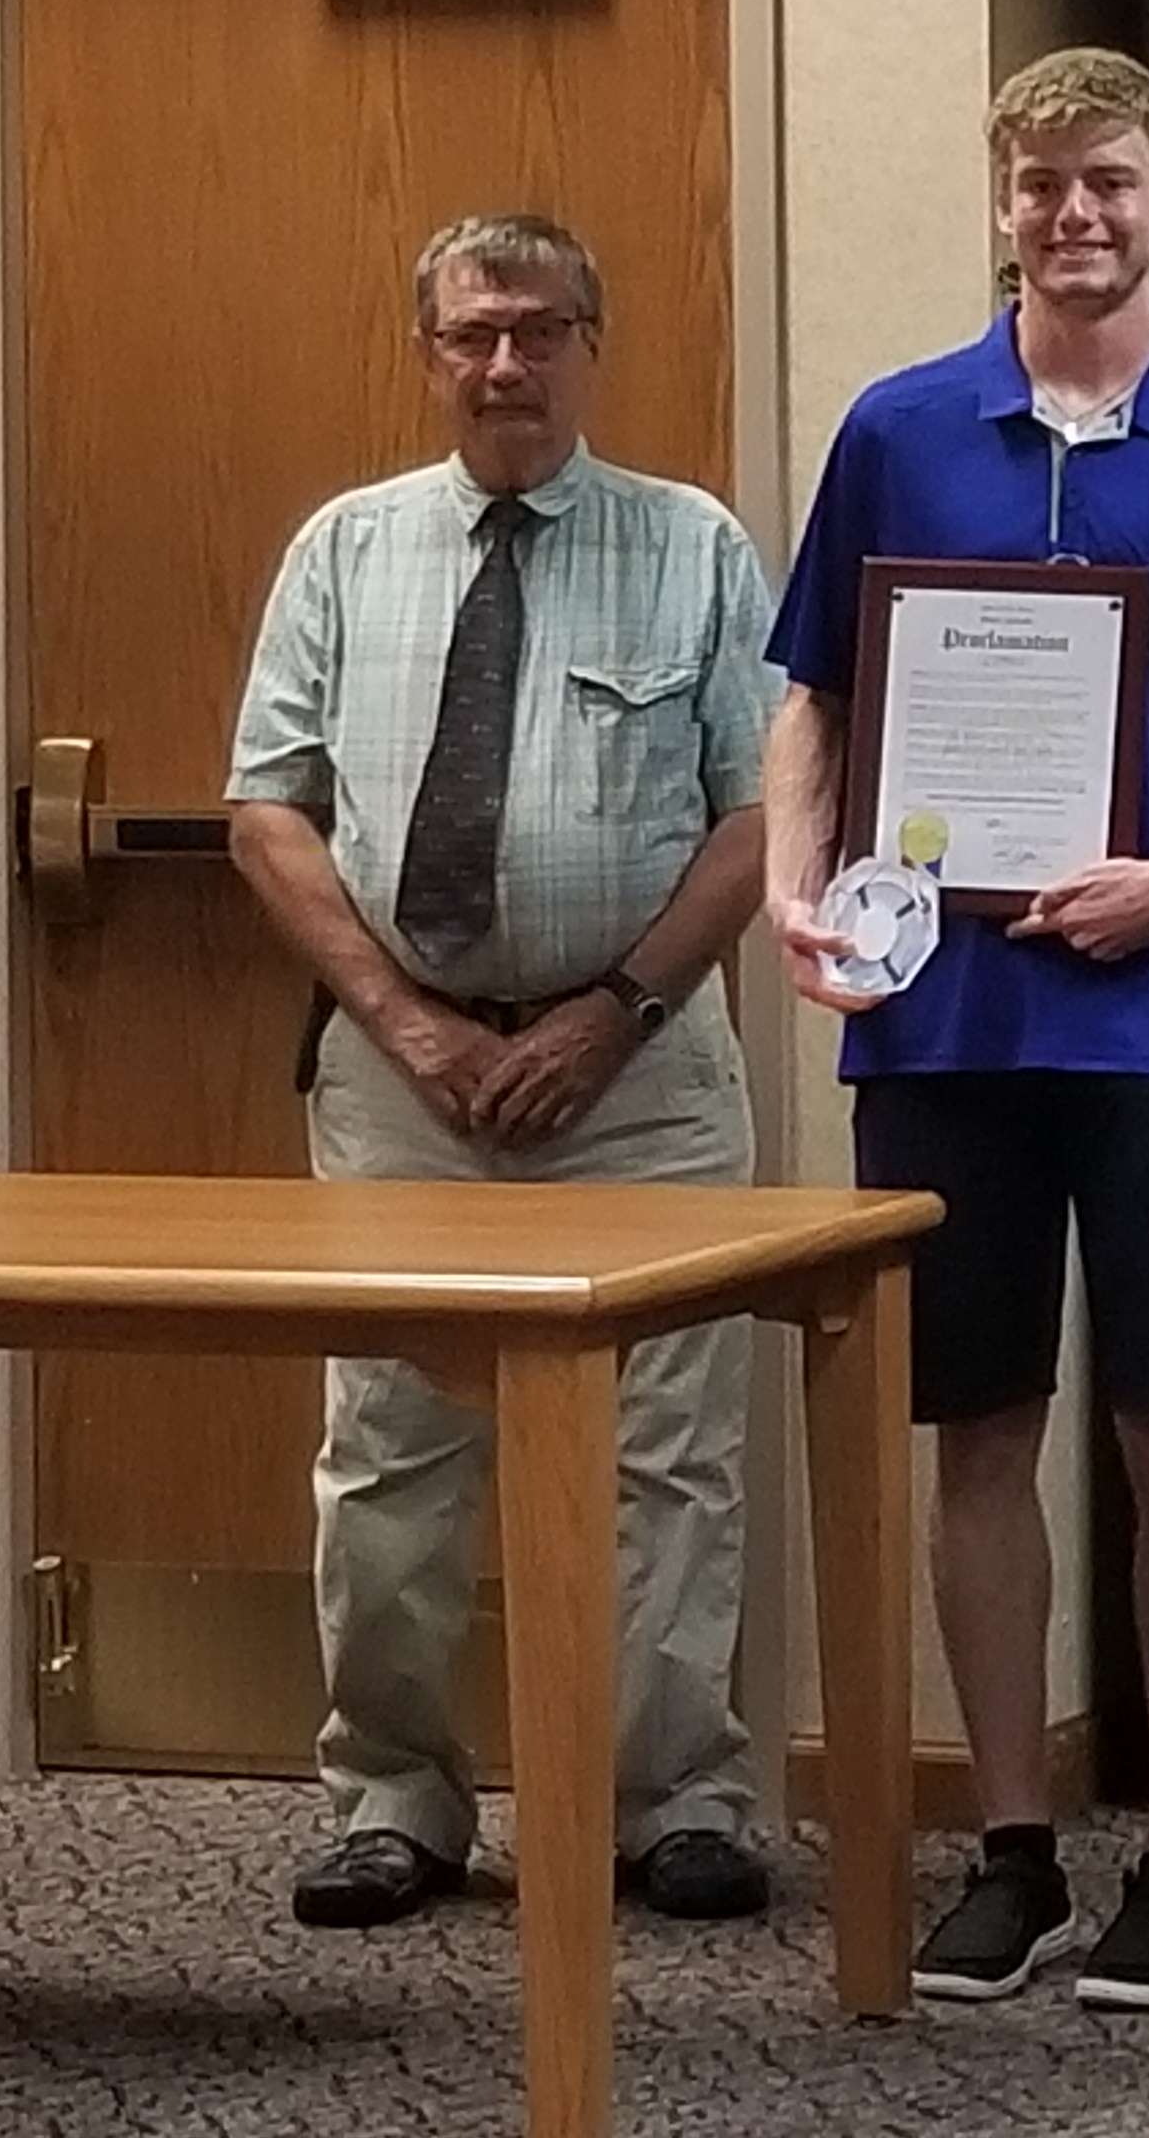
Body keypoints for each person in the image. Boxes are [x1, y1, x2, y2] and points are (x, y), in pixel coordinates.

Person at [761, 48, 1149, 2012]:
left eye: (1107, 183)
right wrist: (791, 886)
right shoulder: (904, 427)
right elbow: (819, 693)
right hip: (944, 1017)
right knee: (973, 1425)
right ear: (997, 202)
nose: (1073, 215)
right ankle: (1008, 1844)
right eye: (1038, 185)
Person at [224, 212, 781, 1932]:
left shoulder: (690, 546)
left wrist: (610, 1010)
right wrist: (410, 1025)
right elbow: (267, 804)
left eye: (539, 332)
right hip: (407, 1076)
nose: (505, 365)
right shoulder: (347, 550)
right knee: (391, 1445)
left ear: (591, 344)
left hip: (643, 1065)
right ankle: (395, 1799)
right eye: (472, 334)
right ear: (430, 351)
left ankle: (670, 1800)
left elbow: (763, 811)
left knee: (669, 1451)